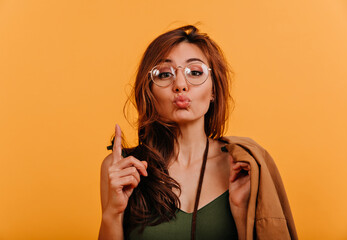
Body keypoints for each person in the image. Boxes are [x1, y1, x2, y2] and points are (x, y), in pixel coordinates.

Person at [98, 25, 297, 240]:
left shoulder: (245, 166)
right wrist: (113, 213)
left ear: (213, 90)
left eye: (195, 72)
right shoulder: (121, 168)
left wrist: (241, 214)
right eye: (165, 74)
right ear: (149, 91)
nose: (180, 85)